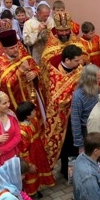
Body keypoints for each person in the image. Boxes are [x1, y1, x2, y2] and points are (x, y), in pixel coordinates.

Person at [39, 43, 83, 174]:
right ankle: (66, 172)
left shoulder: (79, 69)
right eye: (76, 60)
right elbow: (56, 99)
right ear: (67, 60)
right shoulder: (54, 72)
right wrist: (74, 94)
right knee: (65, 146)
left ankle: (73, 173)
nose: (80, 63)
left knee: (74, 145)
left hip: (75, 115)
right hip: (59, 117)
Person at [0, 29, 40, 111]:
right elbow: (5, 84)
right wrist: (20, 71)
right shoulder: (1, 63)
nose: (16, 49)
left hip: (32, 95)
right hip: (17, 100)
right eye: (12, 48)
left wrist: (34, 73)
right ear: (4, 49)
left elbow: (36, 67)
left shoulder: (22, 54)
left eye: (16, 46)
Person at [15, 101, 55, 198]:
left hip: (38, 152)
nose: (35, 112)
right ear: (27, 116)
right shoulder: (22, 131)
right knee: (31, 174)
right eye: (33, 111)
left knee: (38, 171)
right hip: (30, 156)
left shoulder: (34, 120)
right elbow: (23, 151)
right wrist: (29, 164)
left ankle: (37, 189)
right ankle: (31, 194)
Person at [69, 64, 100, 158]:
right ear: (90, 79)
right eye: (97, 78)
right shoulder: (78, 96)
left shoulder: (95, 88)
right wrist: (80, 145)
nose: (99, 81)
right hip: (86, 131)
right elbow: (75, 122)